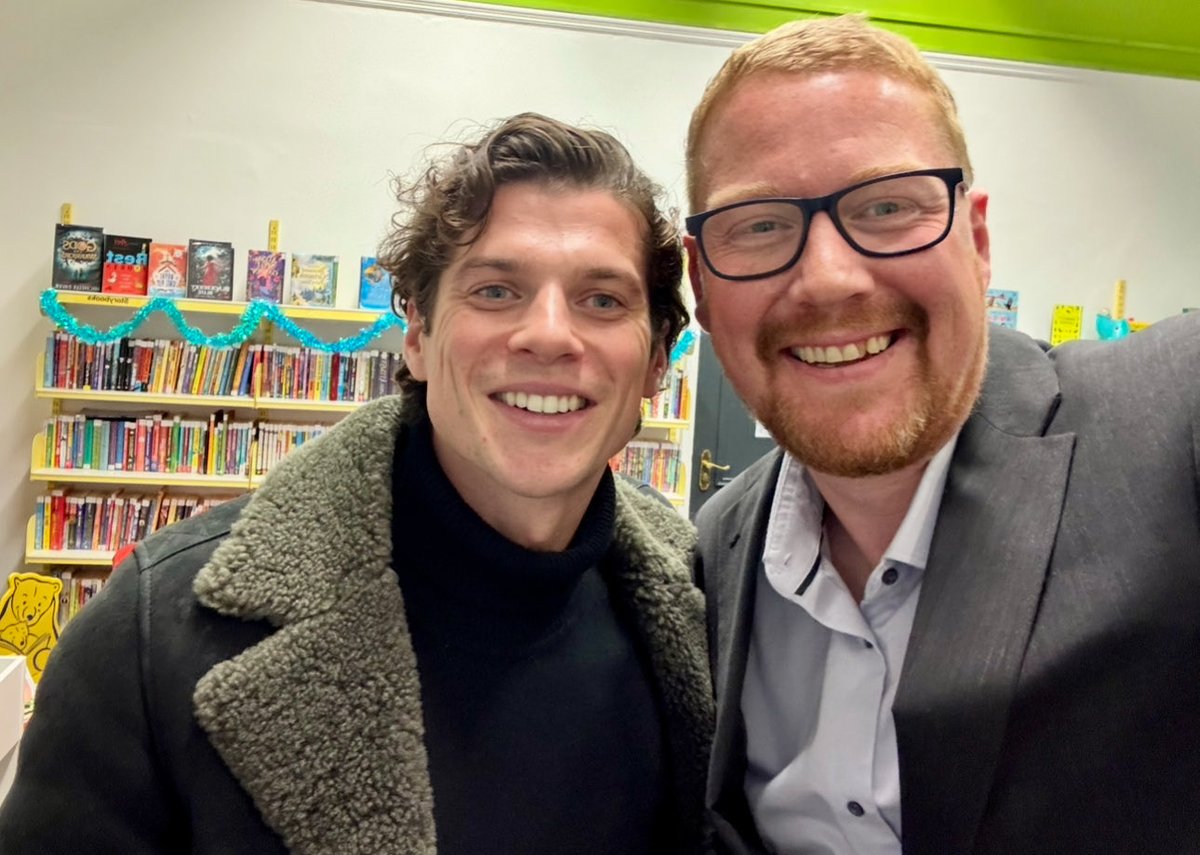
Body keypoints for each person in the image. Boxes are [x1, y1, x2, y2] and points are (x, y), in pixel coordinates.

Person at [0, 113, 714, 854]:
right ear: (419, 337)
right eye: (497, 290)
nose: (549, 334)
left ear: (656, 361)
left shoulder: (707, 611)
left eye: (603, 300)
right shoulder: (150, 634)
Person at [685, 14, 1200, 855]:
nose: (829, 279)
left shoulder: (1174, 414)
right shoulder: (716, 549)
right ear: (702, 287)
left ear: (978, 240)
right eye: (761, 225)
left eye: (888, 206)